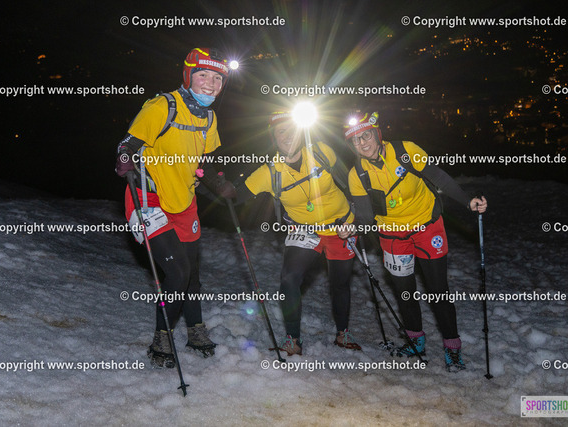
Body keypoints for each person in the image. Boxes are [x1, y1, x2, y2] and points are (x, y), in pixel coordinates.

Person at [337, 112, 487, 372]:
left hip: (427, 227)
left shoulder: (406, 151)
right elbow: (365, 217)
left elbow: (438, 177)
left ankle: (452, 348)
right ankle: (416, 342)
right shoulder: (357, 174)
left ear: (377, 134)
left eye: (366, 135)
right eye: (355, 140)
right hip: (393, 235)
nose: (362, 143)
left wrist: (467, 201)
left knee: (438, 290)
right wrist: (352, 228)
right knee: (404, 291)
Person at [115, 47, 236, 368]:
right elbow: (127, 145)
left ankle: (195, 330)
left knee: (191, 274)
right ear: (188, 76)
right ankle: (162, 338)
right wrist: (125, 161)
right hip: (148, 198)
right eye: (202, 75)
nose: (210, 83)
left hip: (184, 202)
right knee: (178, 272)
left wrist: (219, 185)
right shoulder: (162, 106)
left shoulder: (209, 118)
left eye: (217, 78)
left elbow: (205, 163)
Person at [234, 111, 361, 356]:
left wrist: (359, 217)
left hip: (341, 228)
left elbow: (350, 182)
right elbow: (234, 196)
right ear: (274, 138)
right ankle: (293, 339)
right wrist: (204, 181)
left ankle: (343, 333)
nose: (288, 136)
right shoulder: (269, 173)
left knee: (340, 283)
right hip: (305, 230)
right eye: (281, 131)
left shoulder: (322, 152)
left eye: (292, 130)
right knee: (289, 279)